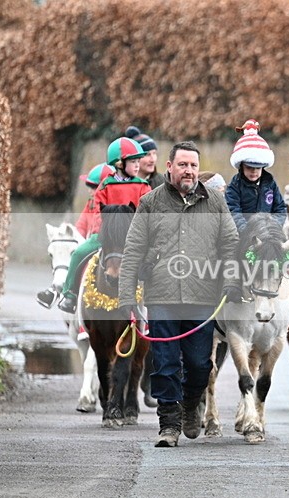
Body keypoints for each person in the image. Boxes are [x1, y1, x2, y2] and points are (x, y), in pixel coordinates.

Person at [118, 141, 240, 448]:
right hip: (161, 296)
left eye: (194, 166)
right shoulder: (151, 202)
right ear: (169, 167)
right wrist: (127, 297)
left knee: (200, 364)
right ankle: (168, 424)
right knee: (165, 362)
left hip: (203, 296)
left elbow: (229, 244)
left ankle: (189, 404)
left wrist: (230, 281)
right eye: (183, 165)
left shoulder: (215, 202)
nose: (189, 171)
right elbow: (133, 250)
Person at [56, 138, 151, 313]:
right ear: (119, 163)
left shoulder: (143, 186)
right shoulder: (105, 186)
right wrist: (102, 232)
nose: (138, 165)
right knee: (78, 253)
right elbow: (99, 213)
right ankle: (69, 294)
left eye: (139, 161)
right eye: (133, 161)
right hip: (106, 235)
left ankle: (158, 304)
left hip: (133, 237)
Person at [225, 119, 289, 305]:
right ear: (241, 166)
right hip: (245, 233)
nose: (254, 172)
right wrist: (248, 230)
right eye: (249, 167)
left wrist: (273, 227)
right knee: (232, 251)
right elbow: (233, 211)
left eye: (258, 168)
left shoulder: (270, 183)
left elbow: (280, 208)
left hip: (269, 232)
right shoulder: (234, 186)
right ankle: (233, 285)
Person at [36, 163, 115, 309]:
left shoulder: (111, 202)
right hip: (91, 241)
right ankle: (56, 290)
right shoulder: (91, 203)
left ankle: (70, 294)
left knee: (78, 254)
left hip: (106, 242)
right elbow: (80, 227)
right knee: (69, 249)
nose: (90, 191)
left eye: (94, 187)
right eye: (89, 186)